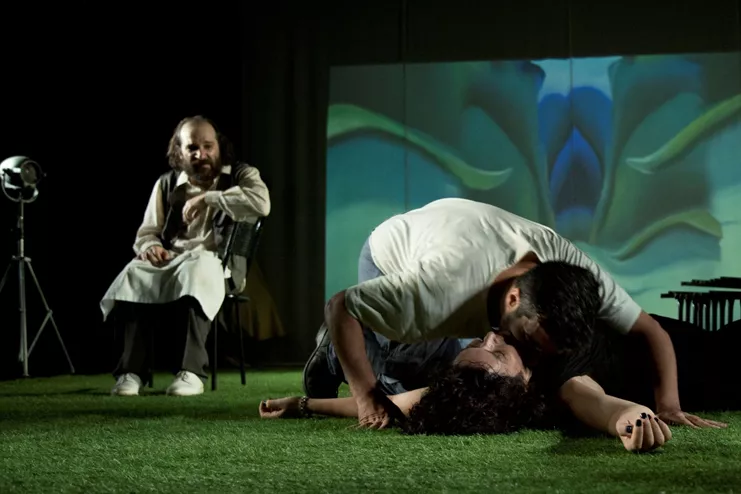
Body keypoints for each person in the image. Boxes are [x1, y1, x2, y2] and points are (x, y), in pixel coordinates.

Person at [315, 198, 719, 429]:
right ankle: (332, 355)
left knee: (467, 373)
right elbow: (341, 306)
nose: (532, 356)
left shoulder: (570, 268)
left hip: (468, 236)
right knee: (401, 372)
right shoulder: (438, 292)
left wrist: (668, 404)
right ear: (512, 300)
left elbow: (650, 330)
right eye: (529, 341)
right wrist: (366, 397)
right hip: (394, 251)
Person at [262, 331, 678, 454]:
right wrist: (633, 420)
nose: (492, 336)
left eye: (483, 344)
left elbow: (391, 406)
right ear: (521, 381)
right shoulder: (561, 382)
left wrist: (303, 404)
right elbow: (606, 406)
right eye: (493, 350)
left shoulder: (511, 365)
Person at [101, 116, 270, 397]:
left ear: (219, 146)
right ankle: (131, 373)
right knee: (135, 272)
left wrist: (208, 198)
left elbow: (262, 204)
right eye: (192, 148)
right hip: (173, 260)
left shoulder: (241, 174)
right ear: (179, 151)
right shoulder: (167, 183)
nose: (201, 154)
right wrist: (150, 246)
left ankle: (191, 373)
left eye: (208, 146)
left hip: (219, 264)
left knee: (199, 268)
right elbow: (147, 231)